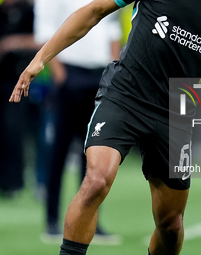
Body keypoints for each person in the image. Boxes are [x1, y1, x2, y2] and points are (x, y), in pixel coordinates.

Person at [10, 0, 201, 254]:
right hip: (125, 95)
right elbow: (94, 11)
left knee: (171, 224)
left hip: (175, 114)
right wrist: (41, 58)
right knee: (97, 180)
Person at [32, 0, 122, 244]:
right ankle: (51, 222)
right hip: (69, 74)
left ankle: (91, 222)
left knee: (95, 151)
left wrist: (114, 71)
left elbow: (112, 29)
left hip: (100, 75)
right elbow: (44, 34)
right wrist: (61, 77)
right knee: (58, 151)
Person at [0, 0, 39, 197]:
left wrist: (13, 43)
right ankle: (1, 182)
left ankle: (16, 181)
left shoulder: (30, 13)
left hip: (18, 81)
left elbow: (40, 41)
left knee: (13, 131)